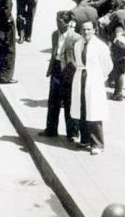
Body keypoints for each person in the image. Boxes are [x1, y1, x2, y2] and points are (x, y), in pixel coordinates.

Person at [71, 19, 112, 154]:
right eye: (83, 29)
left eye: (89, 29)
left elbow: (108, 65)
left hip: (93, 79)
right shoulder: (78, 44)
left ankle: (98, 144)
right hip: (80, 78)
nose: (86, 32)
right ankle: (85, 140)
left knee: (94, 111)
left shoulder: (100, 46)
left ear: (94, 30)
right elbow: (77, 62)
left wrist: (100, 77)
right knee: (82, 109)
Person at [42, 12, 79, 140]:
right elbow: (54, 52)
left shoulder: (75, 37)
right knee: (53, 100)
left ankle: (72, 133)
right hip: (56, 68)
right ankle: (51, 129)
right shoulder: (54, 34)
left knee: (69, 102)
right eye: (56, 21)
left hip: (68, 71)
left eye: (60, 22)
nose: (58, 24)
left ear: (68, 23)